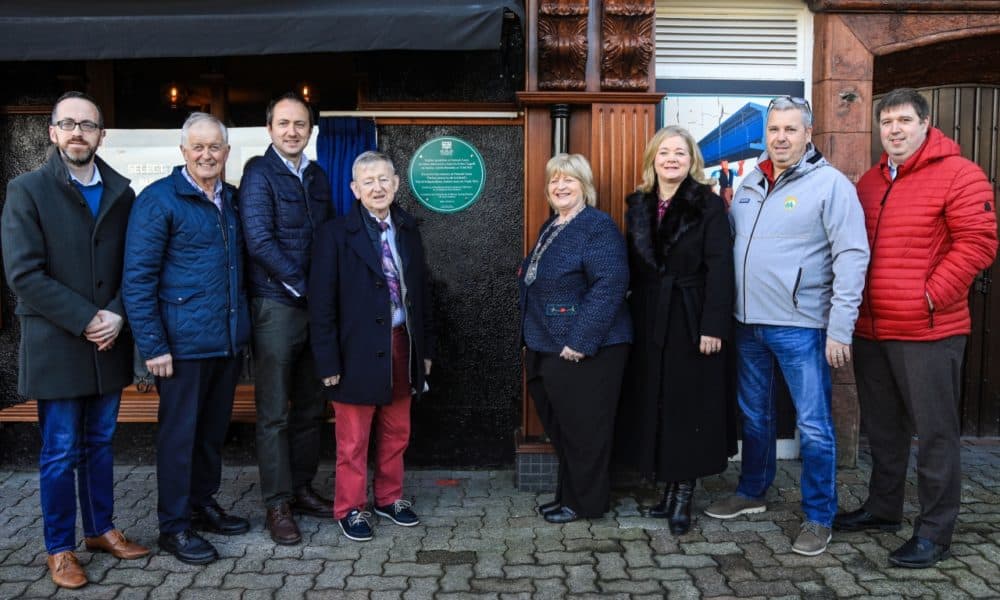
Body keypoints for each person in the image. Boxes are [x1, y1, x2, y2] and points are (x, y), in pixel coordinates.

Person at [834, 88, 997, 568]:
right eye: (886, 122)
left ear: (926, 124)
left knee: (935, 433)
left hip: (928, 331)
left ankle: (935, 531)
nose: (894, 130)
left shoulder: (961, 175)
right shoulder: (868, 182)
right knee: (884, 430)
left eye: (904, 120)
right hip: (872, 329)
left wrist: (927, 296)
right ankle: (884, 510)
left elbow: (978, 243)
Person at [703, 96, 870, 557]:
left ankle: (819, 516)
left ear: (808, 134)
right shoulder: (752, 181)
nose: (780, 137)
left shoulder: (831, 186)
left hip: (801, 326)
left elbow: (852, 256)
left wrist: (840, 327)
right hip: (747, 322)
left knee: (814, 425)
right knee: (756, 416)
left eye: (790, 130)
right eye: (774, 129)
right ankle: (753, 492)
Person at [1, 91, 149, 589]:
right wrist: (88, 318)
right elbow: (24, 273)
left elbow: (137, 265)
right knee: (60, 450)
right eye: (68, 123)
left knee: (101, 441)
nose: (77, 132)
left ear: (101, 134)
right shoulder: (27, 190)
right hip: (59, 342)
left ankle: (101, 529)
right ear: (52, 133)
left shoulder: (121, 193)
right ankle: (60, 547)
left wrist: (119, 315)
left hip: (109, 340)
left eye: (87, 124)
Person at [123, 112, 252, 565]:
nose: (206, 154)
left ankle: (201, 504)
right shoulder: (159, 200)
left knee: (211, 434)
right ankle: (173, 528)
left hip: (225, 343)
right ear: (183, 152)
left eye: (214, 147)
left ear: (226, 153)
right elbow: (138, 280)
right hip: (179, 348)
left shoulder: (232, 201)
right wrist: (153, 345)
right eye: (197, 146)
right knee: (179, 439)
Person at [309, 150, 435, 542]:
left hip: (403, 345)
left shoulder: (408, 228)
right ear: (354, 189)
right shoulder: (334, 235)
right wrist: (328, 360)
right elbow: (321, 303)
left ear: (396, 184)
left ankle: (388, 497)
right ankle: (349, 507)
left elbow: (423, 295)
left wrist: (426, 351)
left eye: (384, 179)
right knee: (353, 440)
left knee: (398, 430)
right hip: (354, 350)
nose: (377, 187)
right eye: (368, 181)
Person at [616, 126, 734, 535]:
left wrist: (713, 325)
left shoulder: (708, 205)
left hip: (691, 313)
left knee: (687, 405)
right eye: (664, 152)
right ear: (653, 159)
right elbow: (630, 266)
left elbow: (721, 268)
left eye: (679, 153)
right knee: (657, 401)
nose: (671, 159)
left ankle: (684, 493)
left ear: (691, 161)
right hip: (649, 315)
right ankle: (666, 487)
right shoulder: (638, 205)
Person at [239, 93, 334, 544]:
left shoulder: (316, 176)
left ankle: (301, 488)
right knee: (274, 412)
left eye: (300, 124)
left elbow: (329, 236)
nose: (292, 131)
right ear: (270, 129)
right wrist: (304, 285)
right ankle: (277, 504)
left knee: (312, 407)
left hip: (316, 307)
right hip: (276, 305)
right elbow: (258, 240)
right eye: (284, 123)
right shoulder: (259, 172)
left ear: (311, 131)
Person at [520, 153, 632, 525]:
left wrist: (582, 340)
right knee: (565, 428)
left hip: (586, 348)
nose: (560, 186)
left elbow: (610, 284)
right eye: (554, 180)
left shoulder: (597, 226)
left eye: (569, 179)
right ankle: (568, 496)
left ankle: (587, 504)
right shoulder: (552, 226)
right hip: (547, 343)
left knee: (585, 431)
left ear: (585, 186)